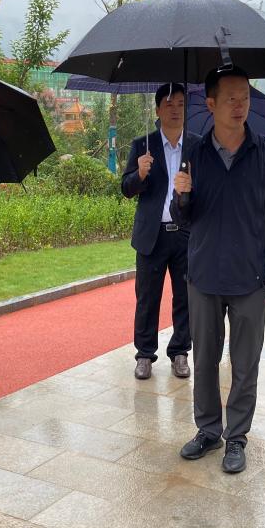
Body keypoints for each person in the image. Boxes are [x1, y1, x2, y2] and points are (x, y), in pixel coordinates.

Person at [172, 66, 265, 474]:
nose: (239, 105)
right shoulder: (194, 153)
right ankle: (208, 430)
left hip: (249, 276)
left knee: (245, 362)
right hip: (204, 274)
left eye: (245, 97)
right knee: (205, 358)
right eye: (230, 98)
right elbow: (183, 220)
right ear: (211, 104)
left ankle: (236, 436)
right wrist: (181, 196)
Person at [120, 83, 199, 380]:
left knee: (185, 298)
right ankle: (144, 354)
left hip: (186, 234)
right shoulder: (143, 145)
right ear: (157, 110)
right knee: (147, 298)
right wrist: (139, 173)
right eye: (169, 104)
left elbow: (207, 190)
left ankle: (180, 352)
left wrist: (192, 187)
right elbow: (126, 188)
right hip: (151, 235)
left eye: (180, 103)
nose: (175, 109)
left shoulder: (196, 145)